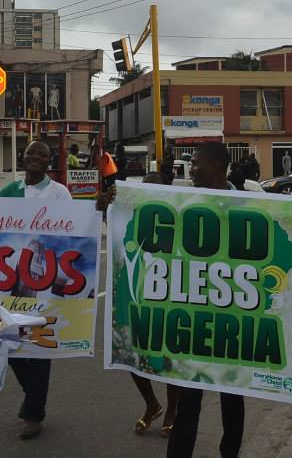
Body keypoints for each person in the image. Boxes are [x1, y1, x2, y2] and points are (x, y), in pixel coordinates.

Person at [102, 142, 244, 458]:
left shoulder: (250, 203)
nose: (191, 169)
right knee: (188, 401)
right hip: (193, 319)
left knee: (232, 398)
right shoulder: (182, 201)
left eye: (196, 163)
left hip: (230, 318)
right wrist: (111, 204)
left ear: (217, 165)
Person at [0, 141, 71, 440]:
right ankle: (33, 397)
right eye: (31, 153)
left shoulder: (59, 193)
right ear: (23, 157)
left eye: (42, 154)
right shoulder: (8, 191)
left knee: (39, 348)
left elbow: (74, 227)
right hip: (11, 278)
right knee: (10, 344)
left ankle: (33, 414)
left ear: (49, 161)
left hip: (45, 279)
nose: (35, 157)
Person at [101, 173, 180, 436]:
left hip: (169, 299)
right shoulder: (133, 216)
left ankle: (171, 412)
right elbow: (111, 224)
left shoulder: (177, 217)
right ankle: (152, 404)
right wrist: (106, 203)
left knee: (169, 358)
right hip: (138, 298)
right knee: (134, 357)